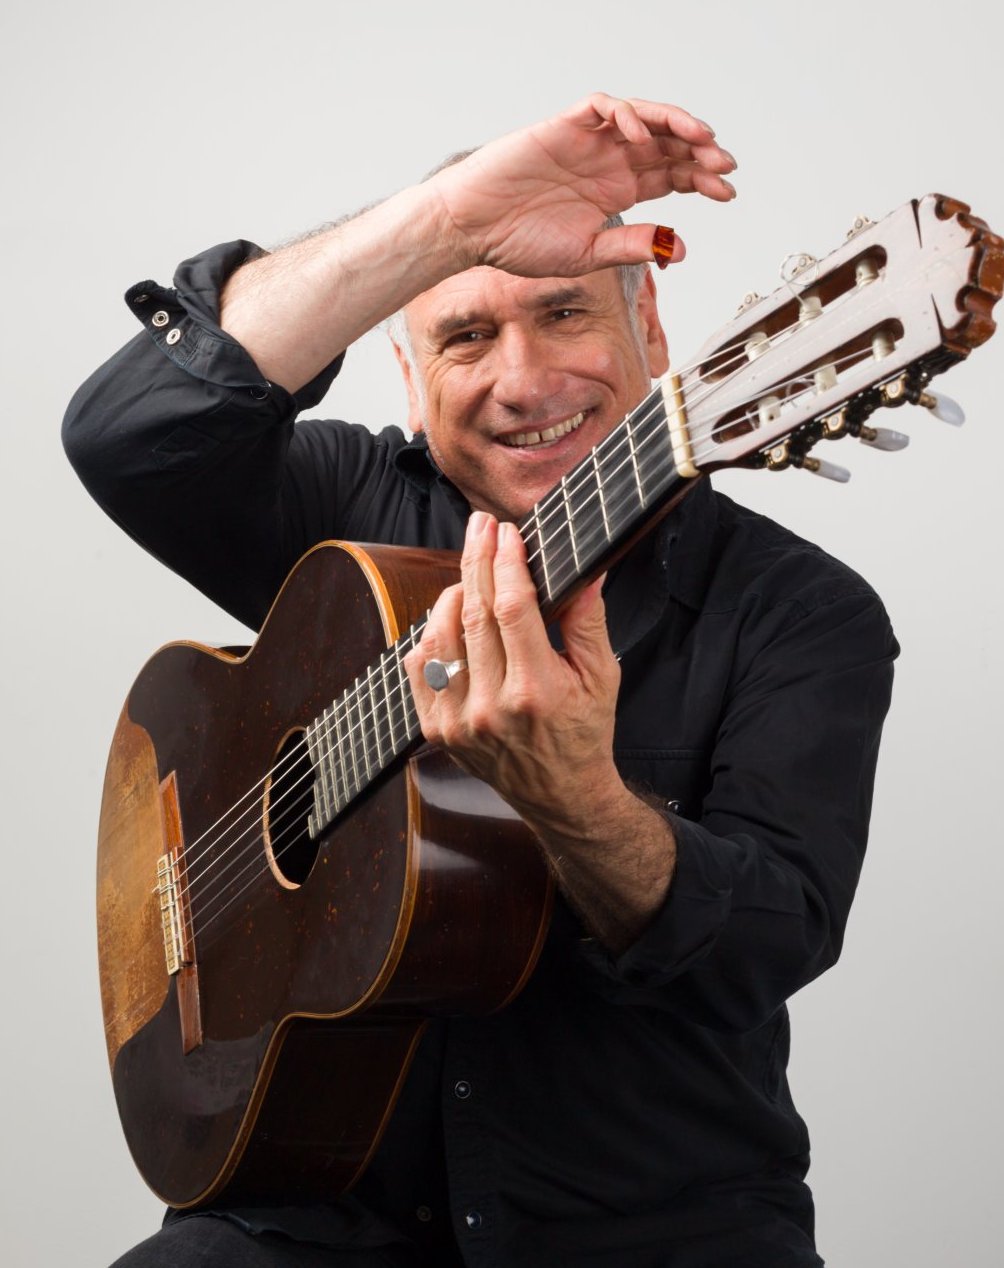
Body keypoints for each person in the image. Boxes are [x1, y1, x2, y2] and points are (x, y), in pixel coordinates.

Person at [63, 94, 898, 1267]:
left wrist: (575, 798)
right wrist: (442, 224)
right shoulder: (346, 517)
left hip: (649, 1224)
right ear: (410, 378)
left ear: (649, 327)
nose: (523, 379)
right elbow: (128, 434)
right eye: (464, 335)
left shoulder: (798, 612)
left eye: (563, 312)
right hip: (307, 1208)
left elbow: (759, 950)